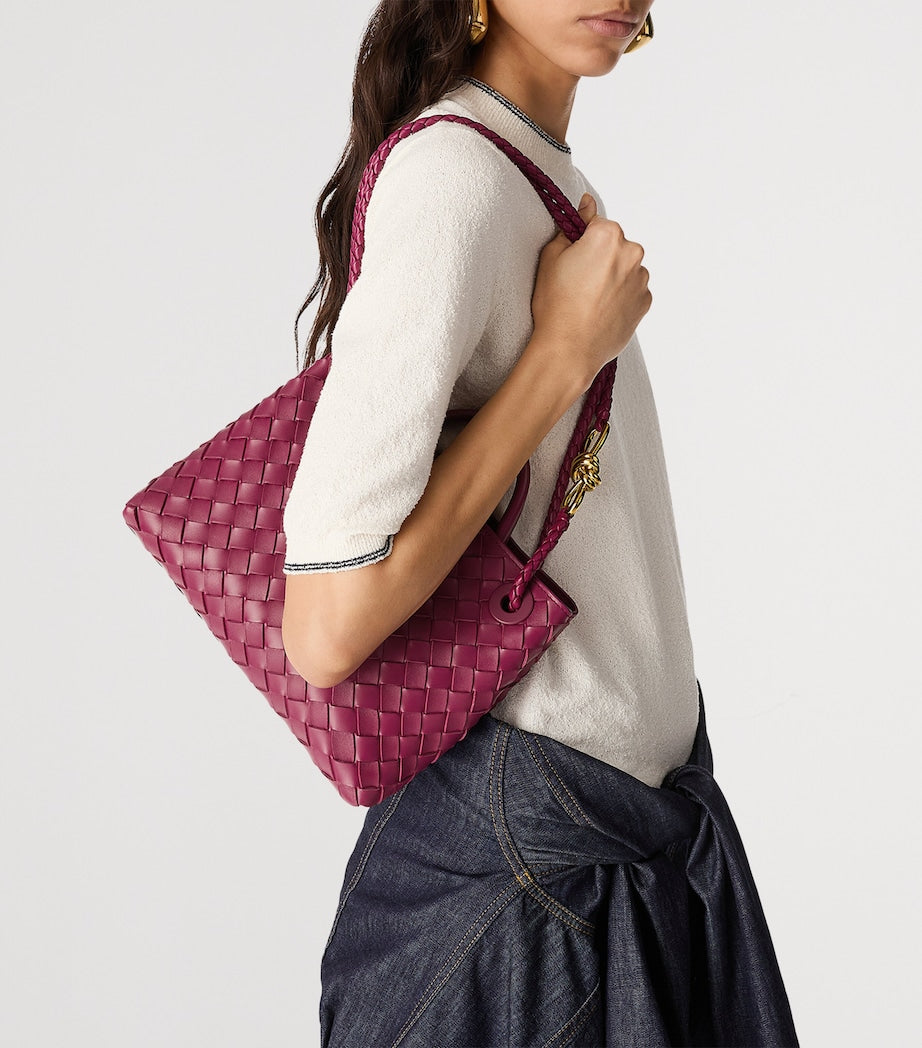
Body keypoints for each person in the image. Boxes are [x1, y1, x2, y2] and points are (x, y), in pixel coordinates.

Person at [281, 2, 800, 1045]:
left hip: (606, 866)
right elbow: (325, 626)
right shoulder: (453, 176)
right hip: (519, 917)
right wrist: (561, 356)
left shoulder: (533, 170)